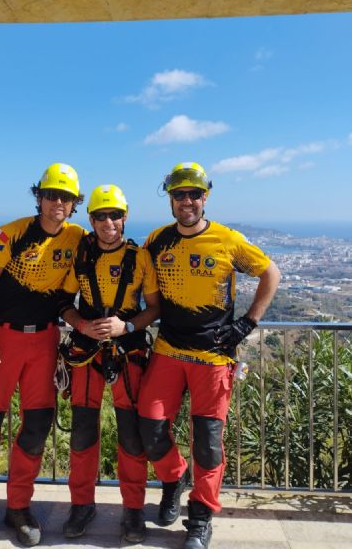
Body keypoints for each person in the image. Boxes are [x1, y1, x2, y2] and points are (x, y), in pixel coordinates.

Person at [137, 161, 281, 549]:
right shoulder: (156, 240)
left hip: (213, 358)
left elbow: (271, 273)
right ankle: (173, 479)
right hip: (168, 349)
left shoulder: (227, 240)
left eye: (194, 194)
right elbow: (138, 281)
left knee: (208, 443)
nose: (187, 201)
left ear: (206, 197)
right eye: (179, 194)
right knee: (149, 429)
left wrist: (247, 324)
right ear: (170, 198)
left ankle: (200, 517)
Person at [0, 163, 85, 549]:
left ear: (74, 203)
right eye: (51, 195)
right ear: (39, 197)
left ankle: (19, 507)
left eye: (65, 197)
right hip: (3, 340)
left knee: (35, 431)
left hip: (44, 343)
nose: (57, 202)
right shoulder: (10, 233)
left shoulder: (77, 237)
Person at [56, 184, 160, 543]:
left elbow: (154, 307)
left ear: (125, 216)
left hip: (127, 349)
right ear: (91, 220)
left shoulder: (140, 257)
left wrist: (127, 326)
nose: (108, 222)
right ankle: (81, 504)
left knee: (131, 435)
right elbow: (63, 303)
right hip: (87, 352)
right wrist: (82, 324)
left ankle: (133, 510)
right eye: (100, 216)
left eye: (114, 215)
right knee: (84, 431)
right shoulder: (82, 256)